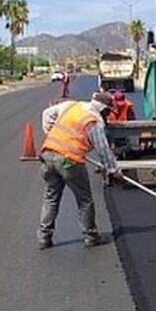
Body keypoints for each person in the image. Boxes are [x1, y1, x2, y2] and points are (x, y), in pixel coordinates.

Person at [36, 91, 124, 250]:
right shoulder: (94, 121)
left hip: (48, 155)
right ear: (103, 107)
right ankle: (90, 236)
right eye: (108, 111)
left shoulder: (71, 106)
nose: (108, 115)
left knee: (51, 197)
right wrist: (114, 170)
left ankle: (44, 238)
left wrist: (49, 134)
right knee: (84, 200)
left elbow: (47, 113)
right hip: (70, 162)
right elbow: (103, 150)